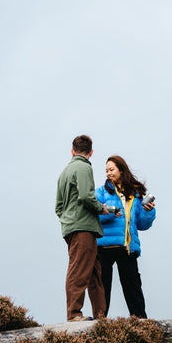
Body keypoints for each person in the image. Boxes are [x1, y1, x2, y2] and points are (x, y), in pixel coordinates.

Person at [55, 135, 109, 322]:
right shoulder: (84, 167)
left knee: (94, 273)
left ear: (72, 151)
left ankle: (101, 317)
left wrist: (67, 220)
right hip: (83, 228)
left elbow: (58, 207)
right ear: (91, 153)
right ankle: (74, 314)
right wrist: (101, 208)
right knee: (79, 271)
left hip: (73, 228)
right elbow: (86, 196)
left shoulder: (64, 172)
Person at [95, 155, 156, 318]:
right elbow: (95, 216)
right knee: (103, 288)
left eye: (111, 169)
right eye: (106, 170)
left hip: (127, 247)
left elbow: (142, 224)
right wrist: (112, 212)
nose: (108, 173)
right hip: (104, 246)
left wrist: (148, 211)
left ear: (121, 170)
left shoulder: (135, 194)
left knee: (133, 287)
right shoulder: (100, 192)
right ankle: (99, 322)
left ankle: (141, 322)